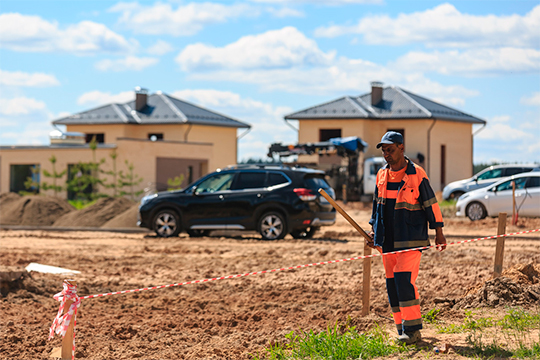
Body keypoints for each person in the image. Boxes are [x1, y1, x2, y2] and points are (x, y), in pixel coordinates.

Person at [367, 131, 447, 345]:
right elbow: (376, 207)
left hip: (411, 239)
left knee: (404, 281)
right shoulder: (381, 175)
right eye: (384, 150)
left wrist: (438, 231)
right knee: (392, 284)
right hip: (387, 240)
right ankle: (401, 327)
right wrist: (374, 231)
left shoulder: (416, 174)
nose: (386, 154)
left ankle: (413, 331)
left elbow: (431, 204)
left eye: (390, 150)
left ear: (401, 148)